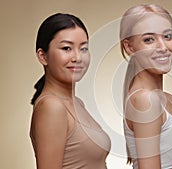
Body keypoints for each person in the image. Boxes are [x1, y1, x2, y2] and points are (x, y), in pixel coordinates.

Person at [120, 4, 172, 169]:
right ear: (129, 47)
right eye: (149, 39)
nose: (163, 47)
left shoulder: (167, 99)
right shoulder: (145, 100)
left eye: (167, 36)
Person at [30, 13, 111, 169]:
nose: (77, 57)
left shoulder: (77, 103)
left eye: (84, 48)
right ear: (43, 56)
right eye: (66, 48)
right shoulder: (52, 107)